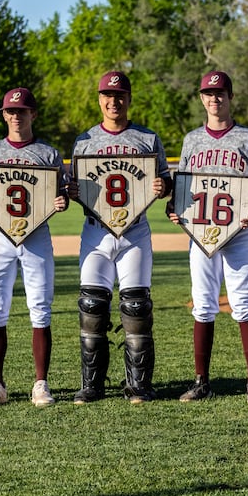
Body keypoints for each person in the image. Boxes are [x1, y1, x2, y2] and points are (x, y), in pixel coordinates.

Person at [169, 71, 248, 403]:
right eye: (208, 93)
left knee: (244, 304)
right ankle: (201, 381)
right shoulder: (191, 140)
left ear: (230, 97)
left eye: (220, 93)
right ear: (201, 98)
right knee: (203, 305)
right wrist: (175, 209)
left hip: (240, 232)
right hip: (201, 233)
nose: (214, 99)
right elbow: (183, 186)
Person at [72, 70, 172, 405]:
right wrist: (71, 191)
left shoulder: (146, 138)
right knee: (91, 307)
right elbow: (75, 185)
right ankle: (92, 385)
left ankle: (139, 385)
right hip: (96, 232)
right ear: (99, 99)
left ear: (128, 99)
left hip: (135, 232)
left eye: (120, 96)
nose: (113, 101)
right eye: (107, 96)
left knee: (136, 307)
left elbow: (166, 180)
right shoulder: (84, 140)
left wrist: (164, 187)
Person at [0, 88, 70, 407]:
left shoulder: (49, 154)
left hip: (36, 234)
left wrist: (62, 200)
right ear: (4, 115)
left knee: (40, 307)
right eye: (10, 111)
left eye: (22, 111)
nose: (16, 116)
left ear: (33, 114)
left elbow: (63, 192)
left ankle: (41, 384)